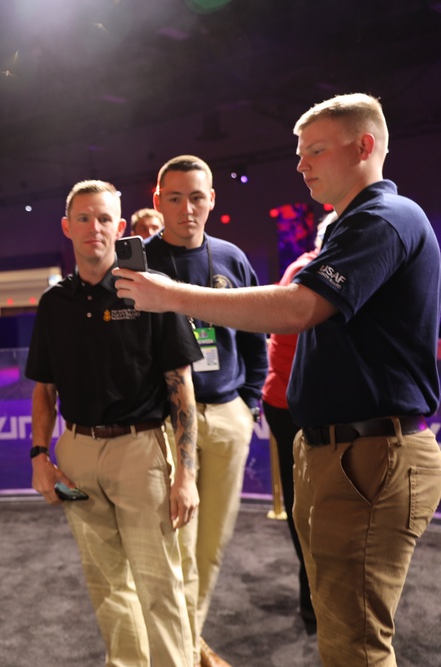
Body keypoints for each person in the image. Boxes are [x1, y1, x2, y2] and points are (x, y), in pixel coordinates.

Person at [114, 93, 441, 667]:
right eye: (300, 152)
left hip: (368, 452)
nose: (301, 164)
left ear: (364, 147)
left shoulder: (385, 219)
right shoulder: (349, 226)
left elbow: (296, 309)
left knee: (355, 643)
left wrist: (168, 297)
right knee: (340, 629)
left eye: (315, 150)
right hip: (339, 450)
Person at [27, 179, 201, 666]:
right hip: (77, 454)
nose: (95, 228)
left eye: (105, 219)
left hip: (141, 451)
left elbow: (180, 383)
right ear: (67, 227)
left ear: (121, 227)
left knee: (159, 587)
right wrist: (40, 455)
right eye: (83, 218)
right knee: (106, 586)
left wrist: (186, 474)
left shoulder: (151, 292)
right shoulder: (53, 303)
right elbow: (43, 389)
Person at [144, 155, 268, 667]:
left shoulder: (232, 259)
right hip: (171, 427)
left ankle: (190, 643)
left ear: (211, 200)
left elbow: (258, 333)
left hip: (229, 414)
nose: (187, 208)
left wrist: (250, 401)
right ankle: (183, 649)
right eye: (174, 198)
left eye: (197, 197)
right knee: (177, 553)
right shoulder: (140, 263)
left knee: (211, 549)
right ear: (158, 202)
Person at [260, 211, 334, 628]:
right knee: (307, 510)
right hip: (294, 406)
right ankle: (314, 603)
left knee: (307, 508)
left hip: (292, 402)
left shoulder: (306, 265)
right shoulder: (311, 270)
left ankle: (315, 602)